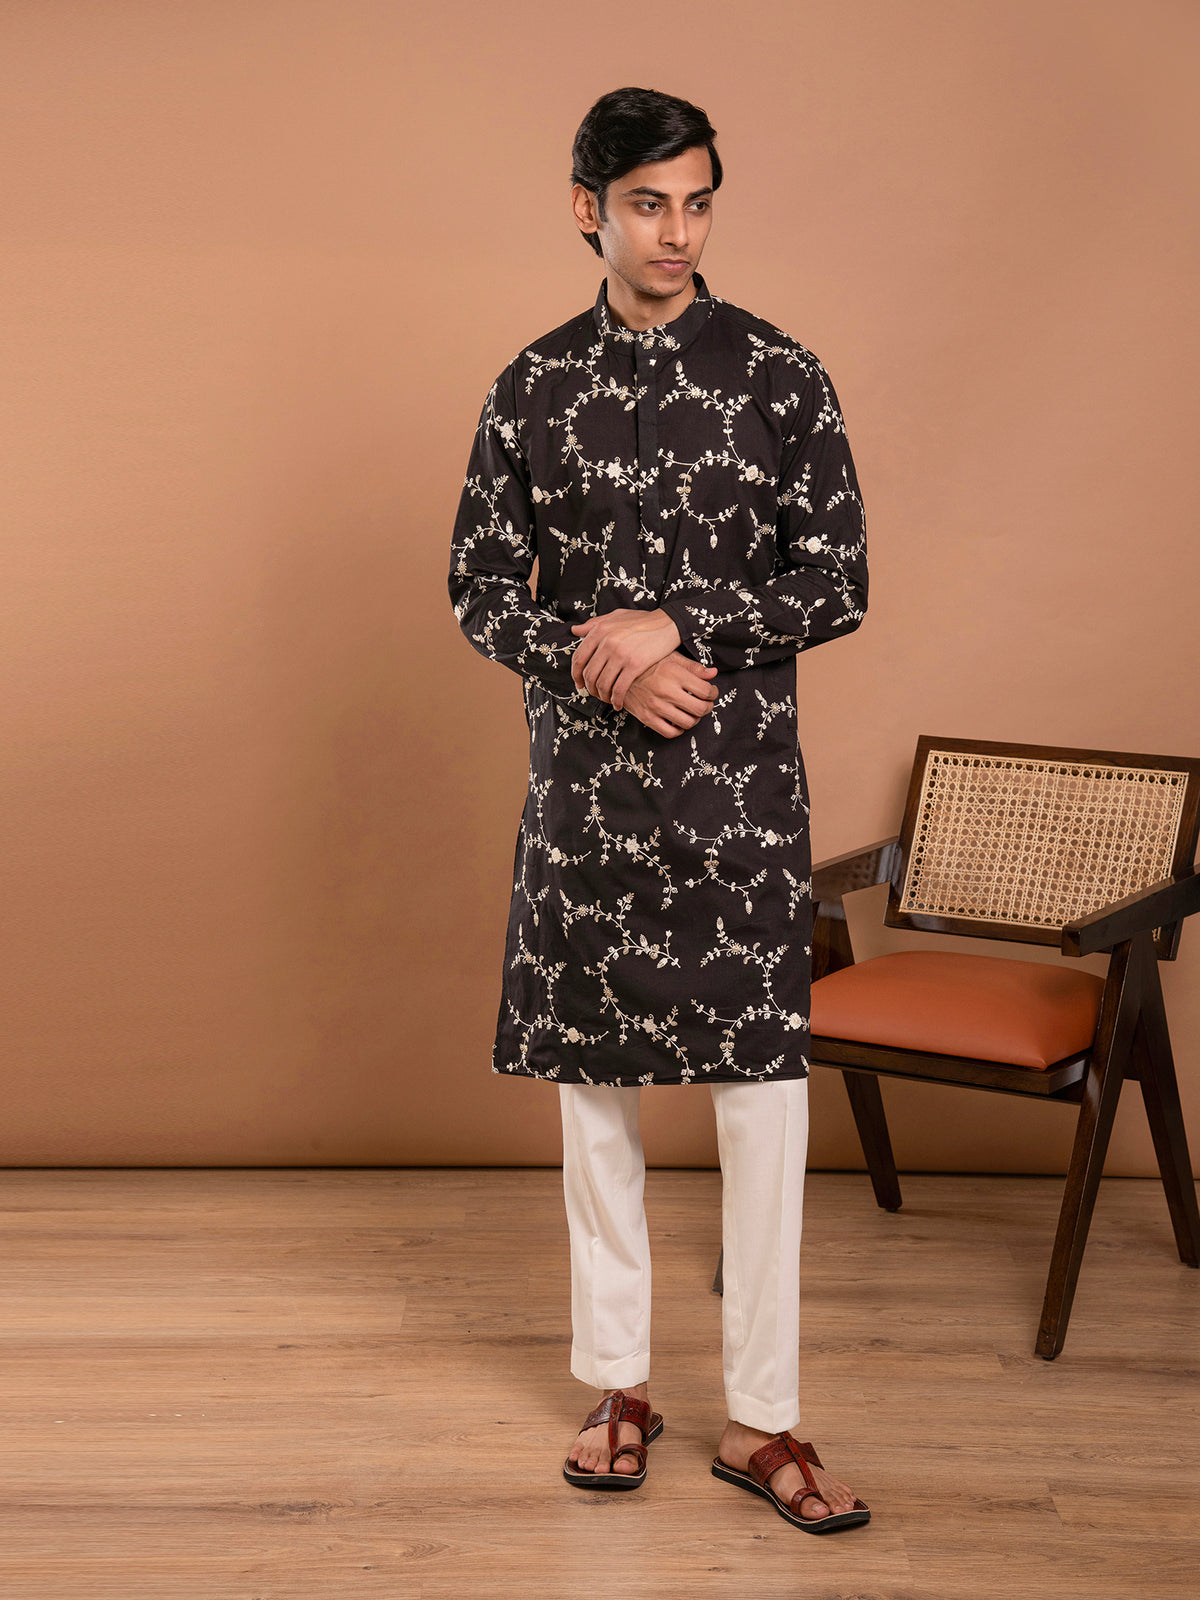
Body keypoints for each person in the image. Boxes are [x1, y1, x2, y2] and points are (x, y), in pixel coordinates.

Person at [448, 86, 870, 1533]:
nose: (676, 231)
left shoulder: (782, 375)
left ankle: (767, 1418)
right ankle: (618, 1387)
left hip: (741, 801)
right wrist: (607, 662)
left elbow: (837, 580)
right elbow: (479, 589)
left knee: (764, 1108)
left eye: (696, 202)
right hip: (587, 801)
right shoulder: (529, 387)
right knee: (596, 1104)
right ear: (590, 209)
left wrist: (676, 625)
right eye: (647, 203)